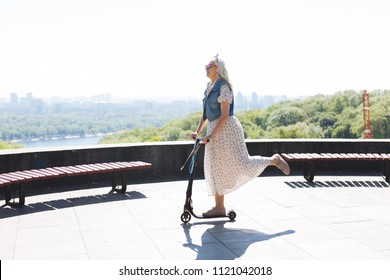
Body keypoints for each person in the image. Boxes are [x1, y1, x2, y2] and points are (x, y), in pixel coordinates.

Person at [189, 55, 290, 218]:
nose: (206, 68)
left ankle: (274, 160)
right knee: (215, 167)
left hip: (227, 129)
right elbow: (205, 114)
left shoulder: (224, 87)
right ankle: (219, 207)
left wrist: (211, 135)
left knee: (243, 163)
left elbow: (224, 115)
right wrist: (197, 132)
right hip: (214, 130)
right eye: (206, 65)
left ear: (218, 68)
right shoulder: (209, 87)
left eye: (209, 65)